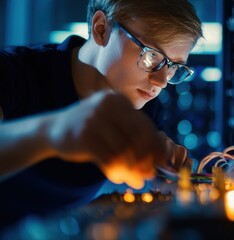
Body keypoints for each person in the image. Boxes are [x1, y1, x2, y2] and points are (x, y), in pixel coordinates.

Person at [0, 0, 203, 228]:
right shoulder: (12, 73)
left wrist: (164, 171)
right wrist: (52, 132)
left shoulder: (144, 108)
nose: (161, 81)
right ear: (101, 29)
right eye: (151, 56)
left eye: (174, 67)